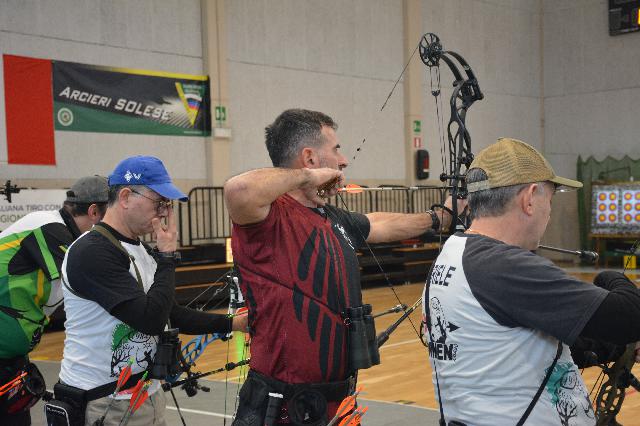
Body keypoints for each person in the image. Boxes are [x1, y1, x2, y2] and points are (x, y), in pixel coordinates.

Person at [224, 108, 455, 425]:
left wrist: (440, 218)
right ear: (310, 158)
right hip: (281, 407)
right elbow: (238, 190)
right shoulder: (269, 217)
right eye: (335, 149)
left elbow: (381, 224)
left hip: (336, 403)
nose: (343, 160)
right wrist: (308, 177)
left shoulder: (333, 219)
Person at [423, 137, 640, 425]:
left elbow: (523, 348)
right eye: (549, 200)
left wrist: (617, 347)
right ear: (529, 198)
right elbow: (629, 316)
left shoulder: (455, 252)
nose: (548, 212)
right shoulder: (503, 266)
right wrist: (608, 277)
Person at [56, 156, 247, 426]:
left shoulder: (140, 250)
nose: (165, 213)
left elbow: (171, 313)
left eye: (167, 205)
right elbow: (150, 320)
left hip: (144, 394)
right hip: (105, 402)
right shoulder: (92, 252)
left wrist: (234, 323)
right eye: (159, 203)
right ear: (125, 197)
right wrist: (167, 256)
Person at [0, 176, 108, 425]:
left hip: (11, 358)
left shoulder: (61, 231)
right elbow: (96, 282)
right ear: (94, 212)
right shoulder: (49, 227)